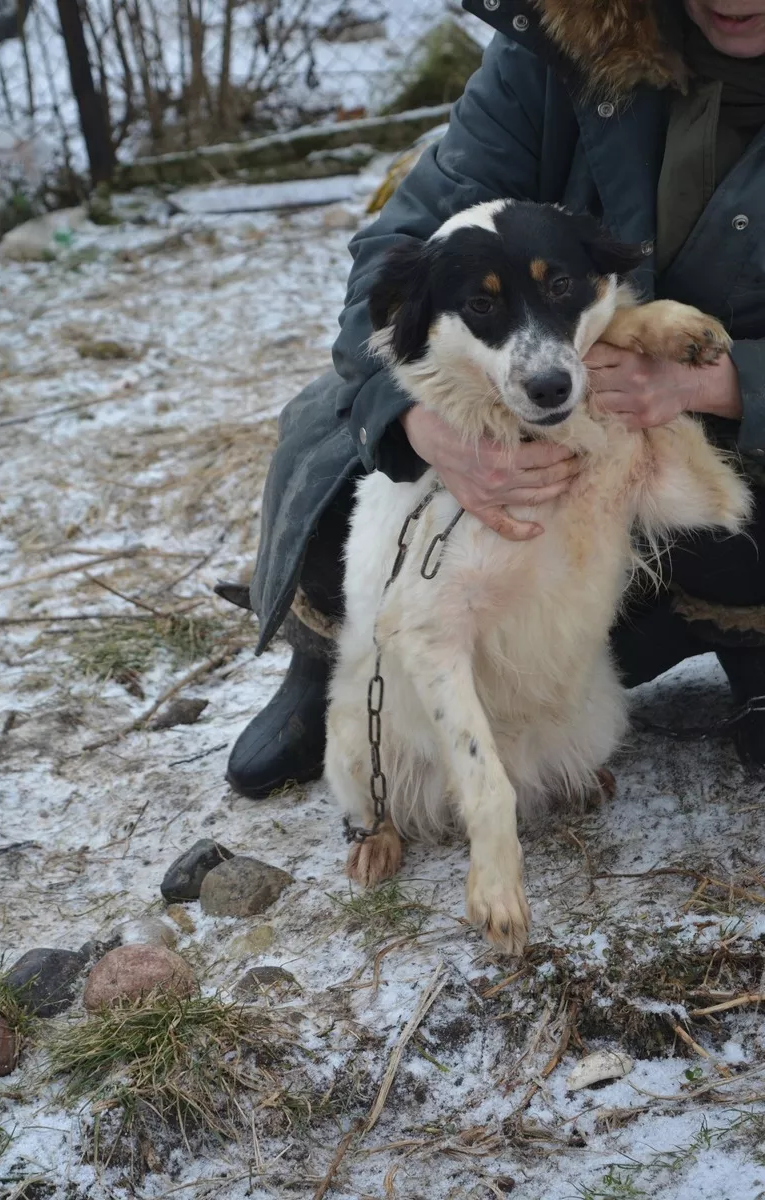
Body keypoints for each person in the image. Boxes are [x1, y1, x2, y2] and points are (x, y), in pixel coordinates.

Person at [219, 0, 765, 799]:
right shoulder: (559, 48)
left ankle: (749, 647)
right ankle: (333, 659)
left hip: (714, 437)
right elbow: (392, 258)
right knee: (335, 429)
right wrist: (422, 427)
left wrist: (720, 383)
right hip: (525, 408)